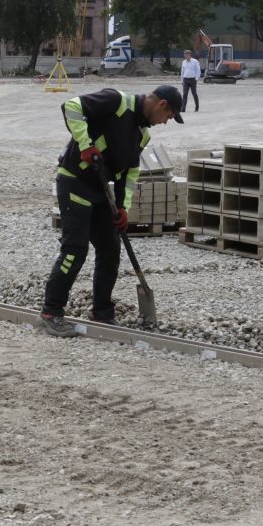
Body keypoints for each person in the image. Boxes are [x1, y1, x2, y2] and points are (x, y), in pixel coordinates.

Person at [38, 85, 184, 337]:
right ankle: (51, 312)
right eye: (168, 117)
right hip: (75, 181)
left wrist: (122, 207)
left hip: (100, 191)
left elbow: (130, 173)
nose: (165, 122)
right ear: (161, 105)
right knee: (75, 249)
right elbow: (71, 107)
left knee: (110, 249)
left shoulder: (142, 134)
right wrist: (85, 144)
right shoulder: (116, 101)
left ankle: (102, 311)